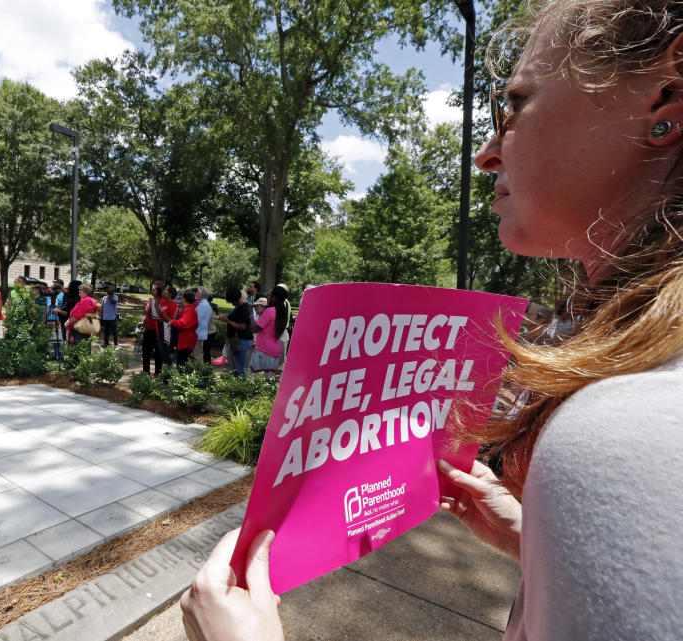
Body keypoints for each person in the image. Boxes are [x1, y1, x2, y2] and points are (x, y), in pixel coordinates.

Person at [181, 3, 683, 640]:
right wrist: (545, 548)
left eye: (519, 105)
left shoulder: (631, 425)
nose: (487, 154)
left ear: (668, 93)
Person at [248, 288, 286, 378]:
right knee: (267, 382)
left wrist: (250, 315)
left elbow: (254, 329)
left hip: (263, 350)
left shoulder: (269, 311)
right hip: (275, 351)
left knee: (254, 380)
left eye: (268, 295)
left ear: (274, 297)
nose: (267, 298)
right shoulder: (282, 312)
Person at [217, 288, 253, 378]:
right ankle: (236, 385)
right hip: (237, 340)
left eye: (231, 301)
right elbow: (235, 318)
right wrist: (226, 317)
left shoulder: (244, 308)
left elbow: (242, 326)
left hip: (242, 340)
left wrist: (227, 321)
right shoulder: (239, 307)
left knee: (241, 368)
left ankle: (241, 387)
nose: (231, 303)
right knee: (236, 367)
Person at [163, 290, 199, 366]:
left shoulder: (189, 310)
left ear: (185, 299)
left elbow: (182, 324)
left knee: (181, 364)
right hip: (183, 340)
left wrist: (172, 322)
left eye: (181, 296)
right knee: (180, 363)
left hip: (186, 341)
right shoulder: (186, 309)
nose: (180, 297)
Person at [142, 280, 167, 376]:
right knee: (145, 352)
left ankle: (157, 372)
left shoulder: (163, 302)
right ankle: (146, 371)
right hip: (148, 329)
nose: (151, 291)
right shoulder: (150, 300)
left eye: (153, 290)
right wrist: (143, 323)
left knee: (158, 353)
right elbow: (148, 314)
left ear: (159, 291)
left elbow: (157, 315)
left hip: (158, 331)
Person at [158, 285, 179, 366]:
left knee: (165, 352)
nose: (163, 293)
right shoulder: (162, 301)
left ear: (170, 295)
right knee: (160, 351)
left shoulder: (174, 305)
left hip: (167, 331)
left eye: (165, 292)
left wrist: (162, 314)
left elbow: (171, 320)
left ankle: (168, 373)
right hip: (159, 328)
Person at [194, 286, 214, 363]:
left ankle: (199, 373)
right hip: (200, 333)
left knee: (197, 355)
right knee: (197, 354)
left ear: (202, 295)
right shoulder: (203, 304)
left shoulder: (203, 305)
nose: (196, 293)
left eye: (197, 292)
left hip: (199, 334)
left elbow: (197, 320)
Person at [275, 283, 292, 366]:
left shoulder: (282, 303)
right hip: (284, 332)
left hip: (281, 332)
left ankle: (279, 377)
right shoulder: (286, 302)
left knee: (280, 359)